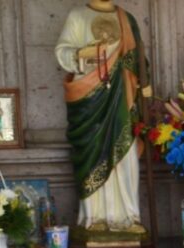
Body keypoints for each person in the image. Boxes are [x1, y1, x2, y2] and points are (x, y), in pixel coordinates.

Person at [54, 0, 151, 233]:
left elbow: (138, 56)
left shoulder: (127, 19)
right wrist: (81, 53)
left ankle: (128, 217)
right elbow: (62, 51)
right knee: (94, 150)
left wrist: (145, 81)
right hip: (90, 99)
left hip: (122, 99)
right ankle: (94, 217)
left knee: (125, 154)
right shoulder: (78, 15)